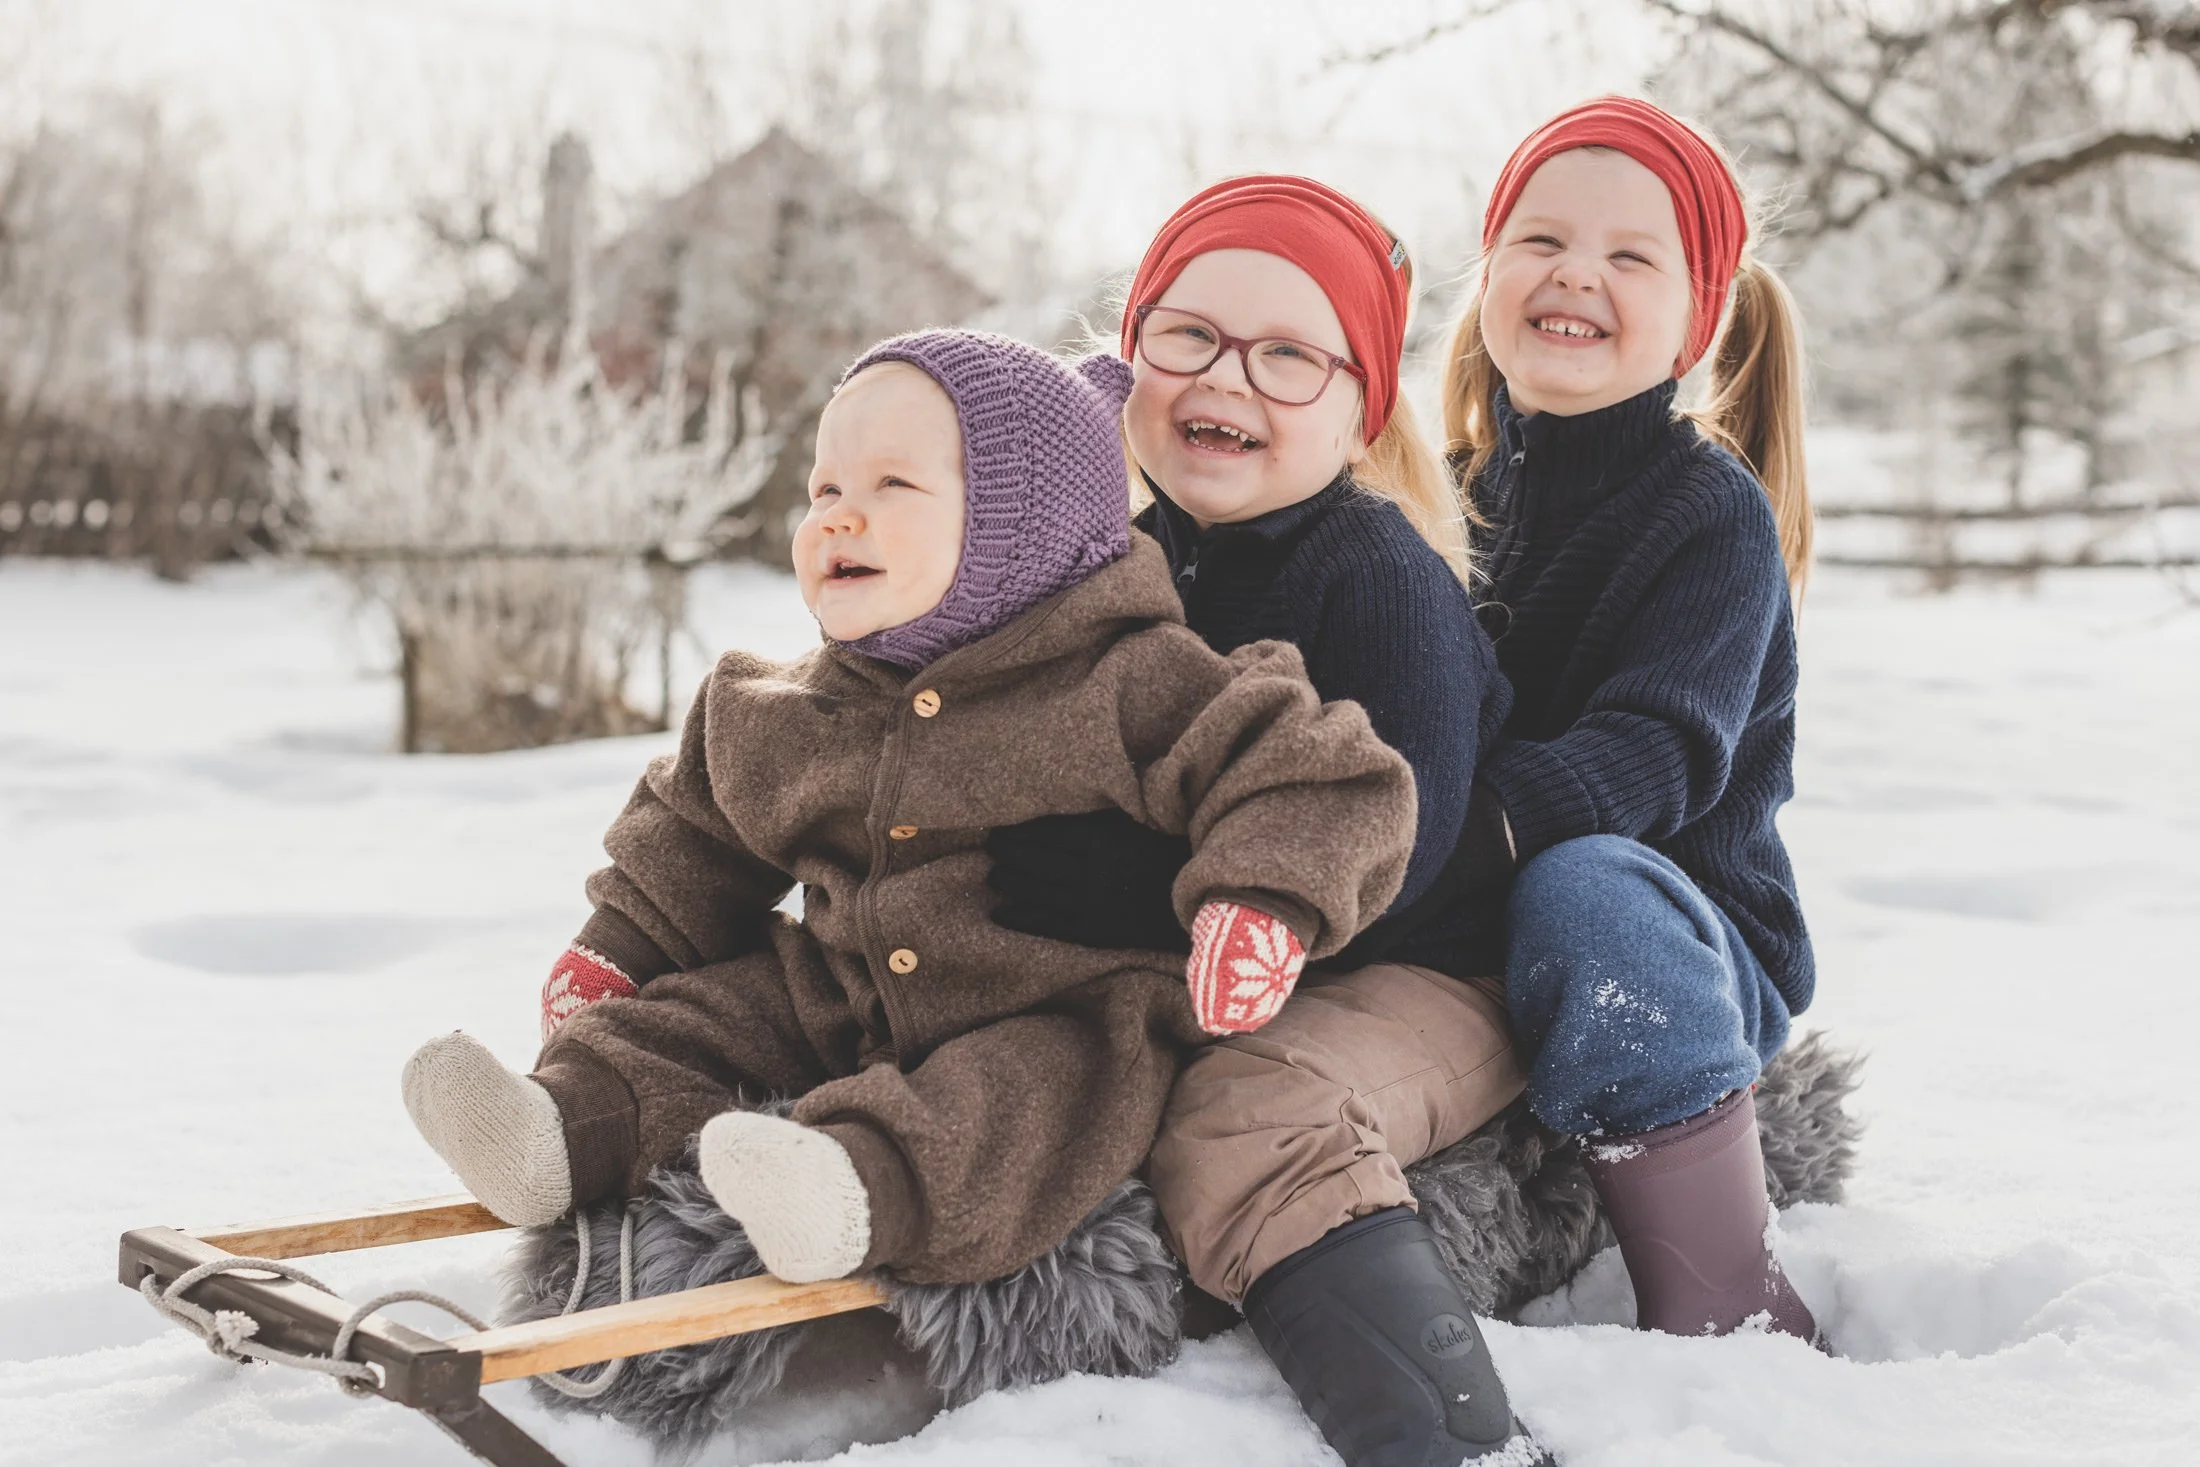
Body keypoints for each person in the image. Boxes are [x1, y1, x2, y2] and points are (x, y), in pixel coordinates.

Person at [397, 329, 1419, 1290]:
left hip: (1057, 1008)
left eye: (892, 485)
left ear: (1021, 529)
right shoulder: (786, 705)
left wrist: (1262, 902)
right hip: (840, 990)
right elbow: (693, 833)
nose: (839, 513)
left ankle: (853, 1187)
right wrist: (620, 947)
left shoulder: (1133, 680)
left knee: (1025, 1103)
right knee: (704, 1019)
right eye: (825, 487)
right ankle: (561, 1132)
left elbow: (1314, 773)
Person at [986, 176, 1547, 1466]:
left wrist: (1150, 895)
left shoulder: (1377, 578)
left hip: (1419, 967)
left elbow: (1396, 856)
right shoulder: (1102, 562)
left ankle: (1452, 1442)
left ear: (1357, 411)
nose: (1223, 380)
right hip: (1201, 963)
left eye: (1289, 356)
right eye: (1184, 337)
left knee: (1243, 1113)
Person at [1441, 95, 1821, 1345]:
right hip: (1462, 910)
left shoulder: (1707, 515)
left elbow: (1656, 753)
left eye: (1628, 255)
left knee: (1589, 883)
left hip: (1674, 937)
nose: (1575, 275)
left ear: (1691, 324)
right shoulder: (1431, 499)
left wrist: (1468, 833)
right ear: (1488, 272)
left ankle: (1728, 1304)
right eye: (1540, 240)